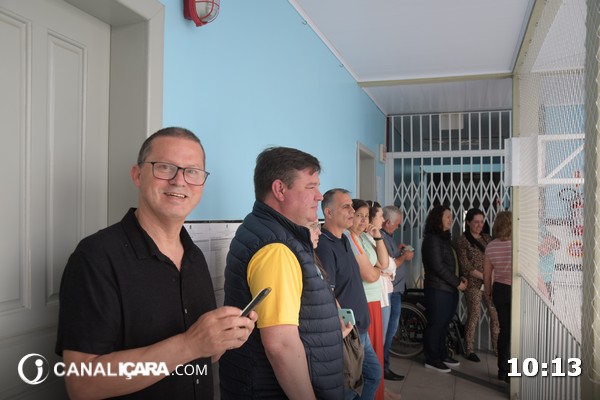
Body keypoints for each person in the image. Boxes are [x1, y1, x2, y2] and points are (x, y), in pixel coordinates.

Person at [55, 127, 257, 399]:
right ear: (137, 175)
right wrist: (190, 344)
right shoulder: (96, 257)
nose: (179, 181)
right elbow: (82, 384)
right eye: (165, 167)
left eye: (192, 171)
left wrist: (221, 339)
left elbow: (201, 357)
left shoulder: (194, 256)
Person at [219, 147, 344, 399]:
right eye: (311, 187)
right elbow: (281, 346)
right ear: (280, 189)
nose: (319, 196)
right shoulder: (276, 249)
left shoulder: (269, 230)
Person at [316, 189, 381, 400]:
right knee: (348, 388)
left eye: (352, 206)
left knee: (372, 375)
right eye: (346, 207)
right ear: (329, 212)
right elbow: (327, 292)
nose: (352, 211)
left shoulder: (344, 239)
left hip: (360, 328)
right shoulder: (324, 246)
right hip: (347, 333)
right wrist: (344, 326)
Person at [345, 199, 391, 400]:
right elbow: (371, 275)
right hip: (363, 301)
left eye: (366, 216)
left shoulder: (364, 237)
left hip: (373, 300)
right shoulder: (348, 238)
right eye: (359, 215)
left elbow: (384, 263)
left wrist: (378, 236)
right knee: (365, 365)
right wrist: (378, 271)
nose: (364, 220)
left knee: (374, 360)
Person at [421, 205, 467, 373]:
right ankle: (432, 359)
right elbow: (438, 267)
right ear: (437, 219)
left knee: (444, 324)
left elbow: (451, 263)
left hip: (448, 289)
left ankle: (442, 354)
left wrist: (460, 278)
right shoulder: (432, 240)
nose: (450, 220)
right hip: (438, 290)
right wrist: (456, 282)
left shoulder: (444, 239)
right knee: (436, 324)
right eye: (447, 216)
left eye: (451, 216)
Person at [456, 208, 499, 362]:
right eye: (476, 222)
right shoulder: (463, 241)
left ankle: (497, 348)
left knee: (494, 315)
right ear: (468, 222)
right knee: (474, 314)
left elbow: (495, 258)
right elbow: (466, 266)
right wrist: (485, 276)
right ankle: (469, 349)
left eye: (482, 222)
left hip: (489, 284)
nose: (480, 225)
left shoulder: (487, 238)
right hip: (473, 284)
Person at [380, 205, 414, 380]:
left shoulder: (388, 238)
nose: (398, 227)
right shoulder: (381, 238)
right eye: (397, 224)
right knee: (388, 332)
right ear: (388, 222)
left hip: (395, 291)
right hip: (390, 292)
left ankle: (384, 367)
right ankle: (383, 368)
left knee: (390, 332)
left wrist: (398, 250)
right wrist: (404, 257)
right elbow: (388, 266)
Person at [483, 211, 513, 383]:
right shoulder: (516, 245)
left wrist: (488, 294)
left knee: (504, 330)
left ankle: (503, 370)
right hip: (515, 290)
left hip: (499, 290)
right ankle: (513, 371)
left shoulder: (491, 246)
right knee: (515, 332)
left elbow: (487, 275)